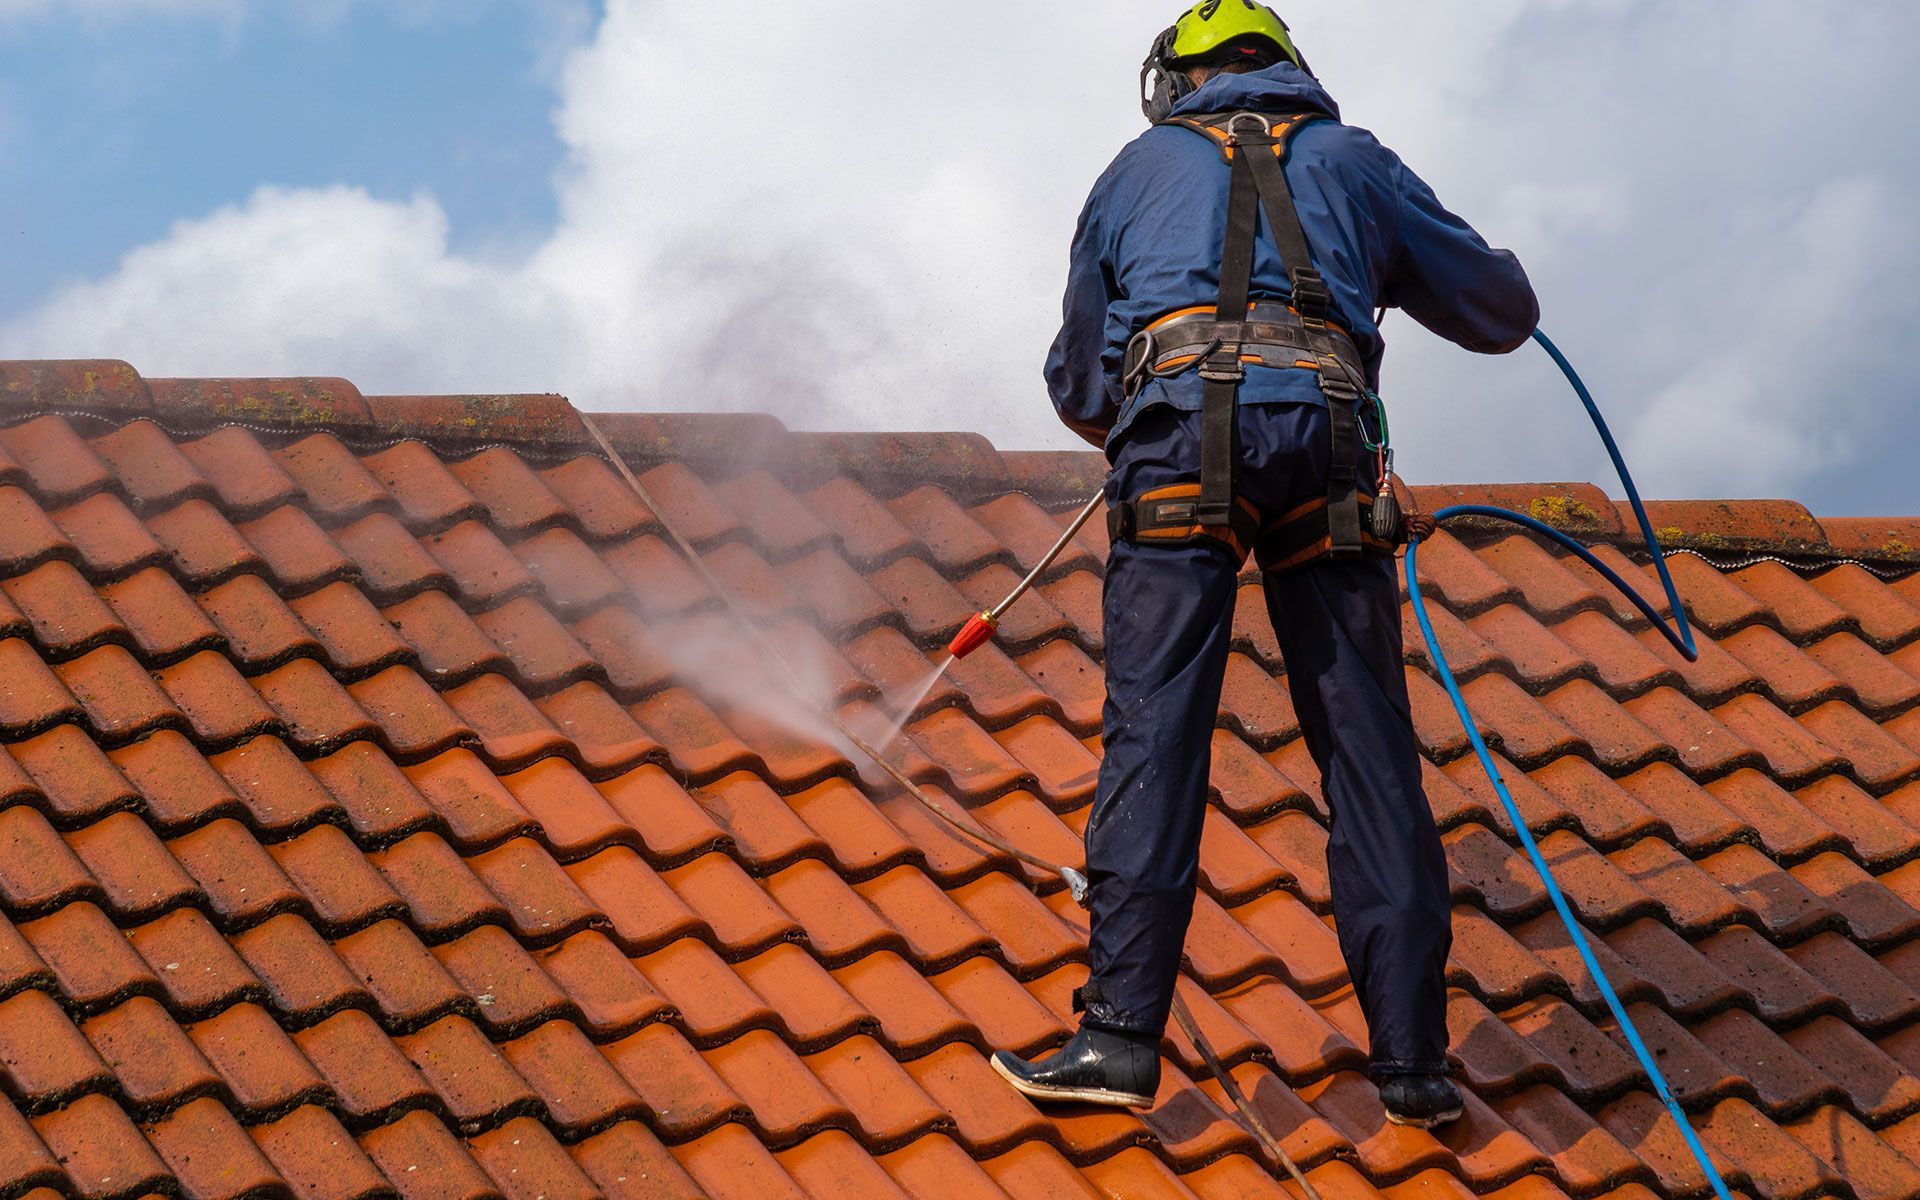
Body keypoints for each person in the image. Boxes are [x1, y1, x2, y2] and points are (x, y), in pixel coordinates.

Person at [990, 1, 1538, 1128]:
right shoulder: (1353, 158)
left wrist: (1161, 403)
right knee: (1368, 746)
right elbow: (1498, 313)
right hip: (1330, 446)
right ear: (1287, 69)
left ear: (1175, 81)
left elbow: (1082, 388)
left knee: (1158, 733)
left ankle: (1117, 1041)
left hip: (1182, 447)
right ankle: (1414, 1065)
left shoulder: (1132, 171)